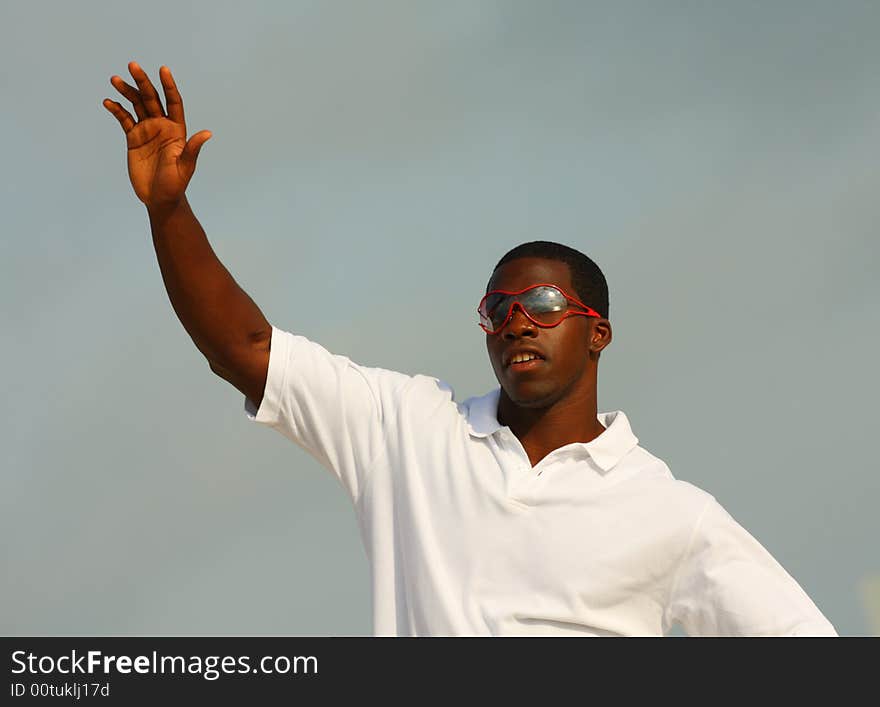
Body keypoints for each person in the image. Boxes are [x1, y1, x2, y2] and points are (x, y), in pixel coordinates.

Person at [104, 62, 838, 637]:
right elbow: (245, 348)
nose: (518, 322)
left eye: (543, 305)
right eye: (498, 310)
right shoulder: (408, 433)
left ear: (598, 331)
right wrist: (169, 211)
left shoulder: (672, 513)